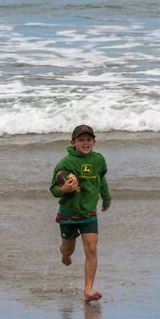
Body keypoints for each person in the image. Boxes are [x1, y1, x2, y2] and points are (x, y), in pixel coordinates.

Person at [51, 125, 111, 302]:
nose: (85, 143)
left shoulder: (98, 160)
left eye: (88, 140)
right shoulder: (65, 163)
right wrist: (64, 188)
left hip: (88, 213)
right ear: (73, 142)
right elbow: (53, 190)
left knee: (91, 250)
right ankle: (64, 253)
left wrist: (106, 197)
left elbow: (102, 180)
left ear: (94, 141)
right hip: (69, 214)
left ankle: (88, 290)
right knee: (69, 249)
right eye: (81, 140)